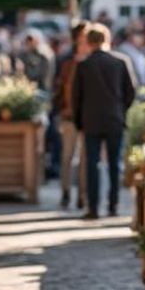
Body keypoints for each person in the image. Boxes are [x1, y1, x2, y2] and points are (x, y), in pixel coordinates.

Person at [72, 24, 137, 219]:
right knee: (114, 164)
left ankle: (93, 207)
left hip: (91, 120)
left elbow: (76, 98)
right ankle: (113, 205)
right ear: (106, 40)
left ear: (88, 42)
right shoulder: (120, 62)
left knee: (92, 164)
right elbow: (131, 92)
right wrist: (121, 110)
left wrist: (79, 122)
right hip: (114, 118)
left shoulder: (84, 65)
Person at [54, 22, 90, 210]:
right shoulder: (66, 60)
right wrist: (60, 110)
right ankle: (66, 192)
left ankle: (82, 195)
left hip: (88, 116)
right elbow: (58, 87)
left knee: (84, 159)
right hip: (69, 115)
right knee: (67, 156)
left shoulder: (92, 58)